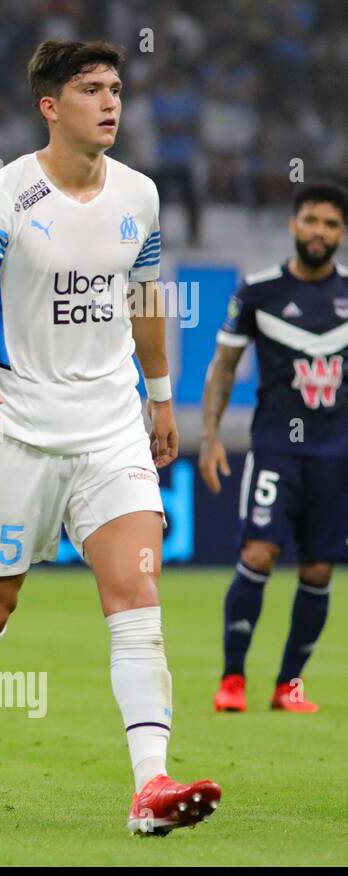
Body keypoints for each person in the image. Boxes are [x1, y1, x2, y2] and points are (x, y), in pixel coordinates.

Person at [0, 40, 220, 835]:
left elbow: (147, 300)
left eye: (117, 88)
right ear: (50, 107)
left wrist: (162, 400)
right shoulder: (4, 195)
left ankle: (150, 788)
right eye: (92, 89)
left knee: (137, 599)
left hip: (110, 429)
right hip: (17, 428)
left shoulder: (142, 196)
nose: (111, 102)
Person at [200, 181, 348, 714]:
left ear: (342, 233)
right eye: (311, 220)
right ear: (293, 225)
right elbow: (223, 368)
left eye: (331, 224)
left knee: (318, 570)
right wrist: (211, 436)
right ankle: (232, 678)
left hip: (337, 457)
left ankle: (289, 684)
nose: (319, 232)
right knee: (258, 553)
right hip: (276, 450)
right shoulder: (257, 291)